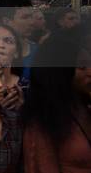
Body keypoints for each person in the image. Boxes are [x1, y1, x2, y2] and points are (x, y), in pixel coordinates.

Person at [23, 33, 91, 173]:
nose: (90, 71)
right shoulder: (43, 121)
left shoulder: (84, 105)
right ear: (59, 73)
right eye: (82, 67)